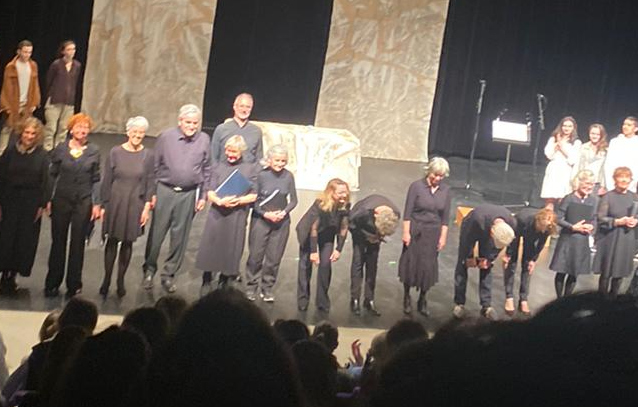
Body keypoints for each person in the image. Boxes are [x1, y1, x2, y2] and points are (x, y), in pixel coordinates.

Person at [143, 104, 211, 293]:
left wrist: (203, 195)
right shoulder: (166, 137)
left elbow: (207, 169)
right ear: (180, 121)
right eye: (188, 122)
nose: (192, 126)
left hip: (188, 194)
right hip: (165, 190)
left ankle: (169, 274)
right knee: (156, 234)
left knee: (180, 237)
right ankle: (149, 270)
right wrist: (152, 193)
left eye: (195, 123)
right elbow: (154, 166)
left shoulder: (204, 139)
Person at [45, 113, 101, 298]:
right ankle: (53, 282)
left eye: (85, 127)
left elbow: (96, 178)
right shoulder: (61, 149)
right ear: (71, 129)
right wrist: (48, 199)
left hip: (83, 201)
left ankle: (74, 284)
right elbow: (52, 175)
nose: (82, 130)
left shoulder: (93, 151)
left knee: (78, 244)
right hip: (61, 200)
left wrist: (97, 203)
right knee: (58, 242)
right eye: (78, 127)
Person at [99, 116, 154, 298]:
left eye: (141, 133)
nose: (137, 135)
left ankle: (120, 280)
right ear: (128, 132)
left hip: (135, 202)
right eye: (135, 132)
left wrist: (146, 208)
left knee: (128, 242)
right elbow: (107, 180)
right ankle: (107, 279)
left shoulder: (148, 155)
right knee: (112, 240)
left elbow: (150, 182)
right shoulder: (115, 152)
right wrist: (104, 205)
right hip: (116, 201)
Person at [196, 135, 258, 293]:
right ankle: (207, 278)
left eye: (234, 152)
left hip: (237, 214)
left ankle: (224, 279)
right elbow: (210, 191)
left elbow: (254, 195)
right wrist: (219, 201)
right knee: (212, 244)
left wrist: (239, 200)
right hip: (217, 212)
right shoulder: (217, 167)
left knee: (231, 246)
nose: (230, 154)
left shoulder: (250, 169)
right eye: (228, 151)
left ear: (241, 151)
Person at [0, 118, 49, 293]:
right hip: (9, 201)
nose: (29, 136)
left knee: (24, 240)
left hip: (30, 203)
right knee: (6, 238)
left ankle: (13, 274)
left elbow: (45, 181)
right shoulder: (10, 152)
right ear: (21, 133)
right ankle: (3, 272)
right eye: (27, 132)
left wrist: (42, 205)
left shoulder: (42, 155)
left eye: (33, 133)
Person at [399, 157, 450, 316]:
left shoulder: (445, 191)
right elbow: (407, 213)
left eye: (441, 176)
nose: (438, 178)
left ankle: (423, 298)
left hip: (433, 233)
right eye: (435, 175)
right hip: (416, 231)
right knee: (411, 263)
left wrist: (443, 237)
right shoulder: (416, 187)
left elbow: (445, 218)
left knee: (427, 266)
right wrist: (406, 232)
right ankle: (406, 297)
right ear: (429, 171)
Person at [245, 144, 298, 302]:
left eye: (283, 161)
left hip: (281, 223)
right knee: (255, 256)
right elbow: (254, 201)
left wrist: (284, 212)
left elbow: (293, 200)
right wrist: (265, 214)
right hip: (261, 220)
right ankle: (251, 286)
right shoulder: (261, 176)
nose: (280, 164)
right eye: (277, 160)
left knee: (274, 259)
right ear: (269, 160)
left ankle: (267, 288)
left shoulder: (288, 176)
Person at [453, 203, 516, 320]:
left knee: (486, 266)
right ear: (492, 232)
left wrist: (489, 259)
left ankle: (486, 305)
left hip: (492, 229)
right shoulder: (477, 219)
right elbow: (467, 240)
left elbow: (501, 245)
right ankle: (459, 303)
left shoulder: (511, 224)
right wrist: (469, 257)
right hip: (471, 228)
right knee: (462, 263)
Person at [296, 178, 350, 312]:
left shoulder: (345, 205)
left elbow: (344, 227)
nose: (344, 195)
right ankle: (303, 299)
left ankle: (322, 300)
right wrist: (313, 251)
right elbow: (313, 228)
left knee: (325, 264)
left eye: (346, 192)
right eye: (340, 193)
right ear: (331, 192)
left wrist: (338, 249)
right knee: (305, 265)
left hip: (327, 233)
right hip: (308, 233)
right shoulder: (320, 204)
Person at [549, 170, 598, 298]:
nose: (589, 187)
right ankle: (559, 299)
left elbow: (594, 218)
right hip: (568, 239)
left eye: (591, 184)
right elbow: (558, 218)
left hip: (582, 241)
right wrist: (572, 227)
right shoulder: (569, 198)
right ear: (579, 182)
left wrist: (592, 226)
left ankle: (567, 298)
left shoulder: (593, 200)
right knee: (562, 270)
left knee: (574, 272)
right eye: (587, 183)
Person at [349, 194, 400, 316]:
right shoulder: (363, 211)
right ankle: (354, 299)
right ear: (376, 215)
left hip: (376, 236)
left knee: (372, 266)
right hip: (360, 231)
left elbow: (387, 229)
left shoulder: (395, 213)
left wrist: (378, 237)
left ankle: (369, 299)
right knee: (358, 263)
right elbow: (351, 224)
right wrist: (367, 236)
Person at [501, 208, 557, 316]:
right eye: (542, 227)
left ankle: (523, 299)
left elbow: (541, 244)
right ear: (538, 221)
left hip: (531, 236)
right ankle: (509, 297)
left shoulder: (547, 228)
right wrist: (508, 254)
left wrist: (533, 260)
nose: (543, 230)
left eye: (545, 228)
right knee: (511, 264)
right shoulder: (523, 219)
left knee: (527, 266)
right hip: (517, 230)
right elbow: (512, 239)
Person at [593, 167, 638, 298]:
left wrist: (635, 221)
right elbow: (601, 218)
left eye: (627, 177)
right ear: (615, 179)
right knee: (606, 272)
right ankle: (601, 300)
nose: (624, 180)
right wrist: (618, 221)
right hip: (610, 238)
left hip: (626, 238)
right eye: (621, 177)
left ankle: (613, 299)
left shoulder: (633, 197)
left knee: (620, 272)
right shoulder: (608, 196)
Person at [0, 40, 41, 155]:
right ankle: (2, 152)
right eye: (25, 52)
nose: (27, 55)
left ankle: (21, 152)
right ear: (19, 52)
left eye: (29, 52)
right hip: (14, 103)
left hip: (27, 103)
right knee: (7, 128)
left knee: (24, 129)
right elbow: (6, 87)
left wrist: (35, 102)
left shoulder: (33, 65)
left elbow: (35, 85)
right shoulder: (11, 66)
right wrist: (6, 106)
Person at [43, 40, 82, 151]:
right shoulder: (56, 64)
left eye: (73, 49)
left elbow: (75, 82)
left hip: (69, 101)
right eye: (69, 49)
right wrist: (51, 94)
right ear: (63, 51)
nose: (72, 52)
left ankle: (59, 148)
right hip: (55, 100)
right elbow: (49, 80)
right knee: (51, 127)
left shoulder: (77, 65)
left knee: (64, 127)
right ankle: (47, 148)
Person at [540, 116, 581, 210]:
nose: (566, 128)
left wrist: (562, 147)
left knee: (562, 198)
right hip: (553, 168)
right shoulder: (553, 138)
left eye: (569, 126)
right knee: (550, 197)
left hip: (565, 170)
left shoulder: (576, 142)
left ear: (573, 128)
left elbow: (573, 159)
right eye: (565, 126)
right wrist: (556, 145)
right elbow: (548, 154)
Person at [210, 93, 263, 164]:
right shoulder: (221, 129)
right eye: (241, 106)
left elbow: (259, 159)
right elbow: (213, 157)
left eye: (248, 107)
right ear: (234, 107)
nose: (244, 110)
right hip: (224, 170)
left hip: (247, 170)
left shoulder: (256, 131)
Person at [604, 116, 638, 191]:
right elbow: (609, 163)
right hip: (613, 183)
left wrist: (631, 183)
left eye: (629, 125)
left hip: (631, 184)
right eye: (624, 124)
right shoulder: (615, 142)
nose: (625, 127)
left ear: (636, 128)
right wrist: (610, 184)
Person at [575, 123, 607, 194]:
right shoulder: (583, 147)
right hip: (584, 181)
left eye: (597, 134)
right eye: (592, 133)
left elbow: (606, 169)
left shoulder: (606, 149)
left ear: (601, 135)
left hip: (598, 183)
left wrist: (603, 186)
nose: (594, 136)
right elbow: (579, 166)